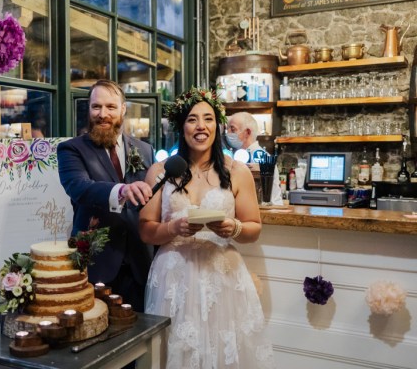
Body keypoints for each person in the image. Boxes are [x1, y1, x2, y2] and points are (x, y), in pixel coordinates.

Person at [140, 87, 275, 369]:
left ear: (218, 125)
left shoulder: (237, 172)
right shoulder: (160, 171)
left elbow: (254, 229)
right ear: (182, 126)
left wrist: (232, 228)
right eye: (192, 119)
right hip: (173, 280)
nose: (201, 126)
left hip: (222, 278)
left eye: (208, 118)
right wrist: (173, 228)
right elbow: (146, 230)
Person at [57, 79, 155, 312]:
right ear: (88, 109)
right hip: (96, 264)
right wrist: (121, 190)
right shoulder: (71, 149)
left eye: (110, 107)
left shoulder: (144, 150)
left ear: (123, 109)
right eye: (96, 107)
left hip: (140, 264)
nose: (103, 114)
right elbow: (79, 187)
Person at [226, 112, 283, 205]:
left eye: (232, 129)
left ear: (247, 132)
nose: (227, 133)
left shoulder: (263, 158)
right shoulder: (233, 156)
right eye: (227, 129)